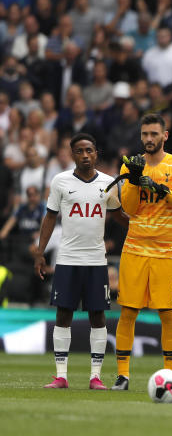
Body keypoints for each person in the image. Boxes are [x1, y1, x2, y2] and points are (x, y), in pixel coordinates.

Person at [112, 114, 172, 390]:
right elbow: (129, 209)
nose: (149, 139)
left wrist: (164, 192)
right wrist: (135, 180)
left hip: (166, 250)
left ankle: (169, 375)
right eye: (145, 134)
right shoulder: (133, 166)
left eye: (154, 134)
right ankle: (123, 375)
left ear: (165, 135)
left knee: (167, 313)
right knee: (127, 311)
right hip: (135, 247)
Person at [33, 134, 120, 389]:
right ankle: (61, 375)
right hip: (68, 259)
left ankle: (95, 376)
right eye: (79, 151)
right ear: (72, 154)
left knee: (98, 315)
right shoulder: (60, 181)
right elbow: (50, 217)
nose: (85, 155)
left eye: (89, 150)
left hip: (96, 260)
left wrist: (143, 224)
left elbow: (118, 217)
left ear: (96, 153)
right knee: (63, 313)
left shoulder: (108, 182)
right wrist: (40, 252)